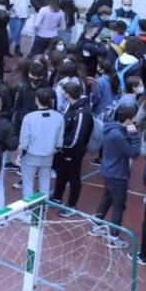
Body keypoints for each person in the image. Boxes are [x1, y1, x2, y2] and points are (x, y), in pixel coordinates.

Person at [91, 102, 140, 249]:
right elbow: (134, 153)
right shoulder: (118, 136)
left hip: (108, 171)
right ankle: (113, 237)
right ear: (127, 120)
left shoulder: (112, 129)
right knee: (119, 206)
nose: (135, 121)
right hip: (117, 175)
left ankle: (97, 224)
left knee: (106, 199)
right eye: (134, 119)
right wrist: (134, 134)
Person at [51, 81, 94, 215]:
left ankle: (71, 205)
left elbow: (76, 138)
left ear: (68, 94)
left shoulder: (82, 113)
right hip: (64, 149)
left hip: (73, 152)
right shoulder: (71, 106)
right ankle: (57, 197)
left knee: (73, 177)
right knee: (61, 173)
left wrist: (60, 143)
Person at [19, 88, 64, 199]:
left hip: (31, 155)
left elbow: (24, 139)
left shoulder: (29, 118)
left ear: (37, 100)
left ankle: (28, 210)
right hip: (49, 155)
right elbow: (59, 141)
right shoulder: (59, 117)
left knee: (28, 182)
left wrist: (21, 152)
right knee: (45, 181)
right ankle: (43, 208)